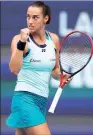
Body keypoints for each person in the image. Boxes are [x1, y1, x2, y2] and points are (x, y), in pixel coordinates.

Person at [6, 1, 71, 135]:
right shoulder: (19, 39)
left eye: (35, 17)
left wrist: (60, 75)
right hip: (24, 100)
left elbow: (54, 69)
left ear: (45, 19)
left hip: (41, 101)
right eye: (28, 17)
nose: (30, 21)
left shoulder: (54, 40)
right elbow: (14, 69)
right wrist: (21, 43)